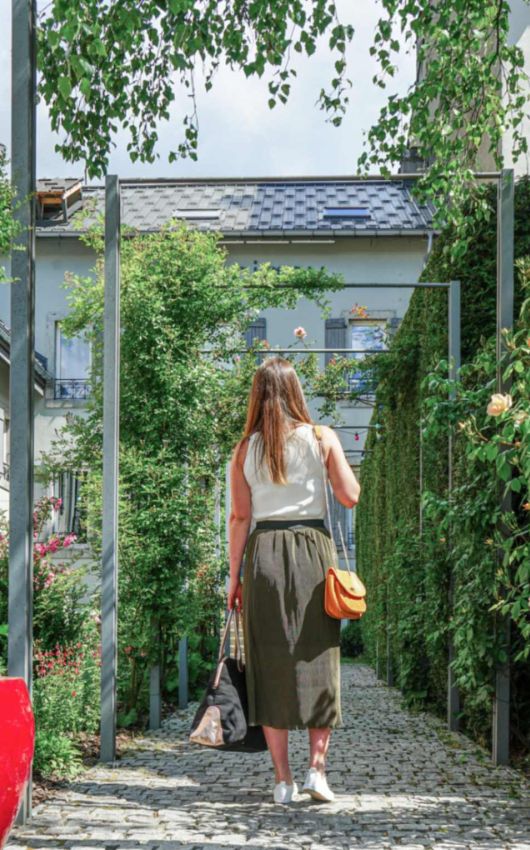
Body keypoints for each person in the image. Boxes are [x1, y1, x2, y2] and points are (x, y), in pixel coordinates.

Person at [227, 356, 361, 805]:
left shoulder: (245, 449)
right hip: (312, 551)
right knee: (319, 657)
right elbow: (350, 495)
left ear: (257, 396)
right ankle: (317, 773)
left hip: (263, 554)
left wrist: (233, 580)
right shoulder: (322, 437)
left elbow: (240, 518)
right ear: (296, 393)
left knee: (270, 663)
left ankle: (282, 781)